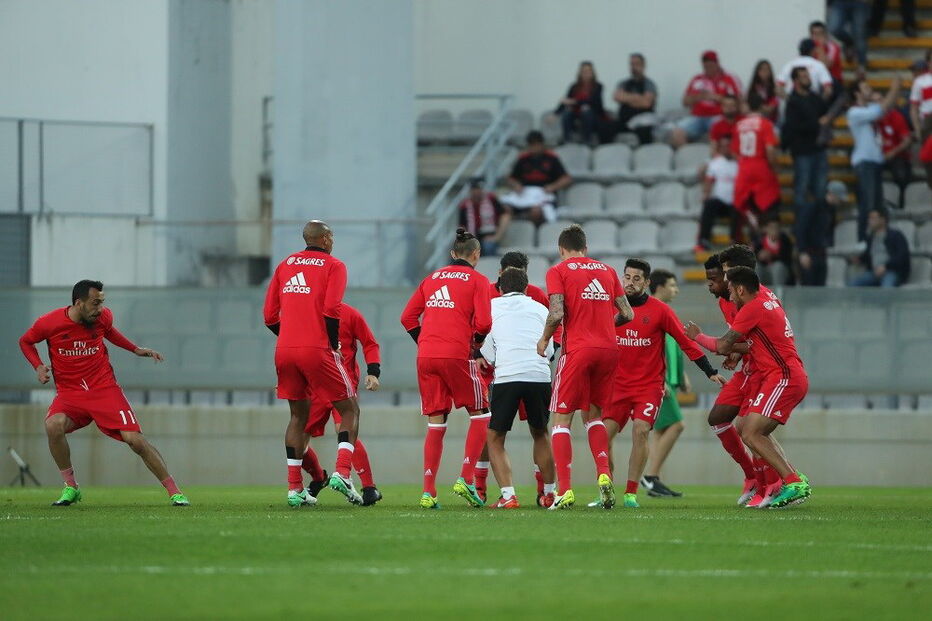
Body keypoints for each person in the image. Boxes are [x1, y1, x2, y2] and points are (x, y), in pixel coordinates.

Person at [18, 279, 188, 507]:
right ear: (79, 303)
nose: (100, 309)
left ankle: (174, 492)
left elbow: (109, 332)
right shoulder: (49, 323)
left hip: (104, 389)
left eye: (101, 302)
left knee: (135, 441)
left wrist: (135, 349)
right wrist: (38, 366)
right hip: (70, 393)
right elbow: (26, 341)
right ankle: (71, 487)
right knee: (52, 426)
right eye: (95, 303)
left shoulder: (102, 317)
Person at [597, 259, 724, 509]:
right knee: (602, 437)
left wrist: (709, 371)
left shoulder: (661, 311)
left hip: (648, 386)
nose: (630, 283)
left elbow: (686, 342)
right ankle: (606, 490)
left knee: (641, 431)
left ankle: (631, 493)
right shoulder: (609, 307)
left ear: (646, 283)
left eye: (636, 279)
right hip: (616, 386)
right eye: (627, 277)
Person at [688, 266, 811, 509]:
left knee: (751, 432)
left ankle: (793, 482)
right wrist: (737, 352)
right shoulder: (765, 300)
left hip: (783, 377)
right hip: (777, 376)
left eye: (731, 289)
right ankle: (790, 478)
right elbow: (753, 344)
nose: (730, 295)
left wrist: (697, 336)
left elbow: (722, 345)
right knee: (748, 428)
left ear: (741, 288)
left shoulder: (752, 307)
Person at [264, 220, 363, 507]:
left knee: (297, 417)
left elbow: (270, 315)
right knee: (349, 407)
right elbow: (332, 308)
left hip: (284, 350)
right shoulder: (334, 265)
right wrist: (333, 342)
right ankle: (343, 472)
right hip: (317, 347)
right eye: (332, 235)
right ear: (325, 238)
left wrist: (290, 338)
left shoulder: (285, 265)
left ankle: (295, 489)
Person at [538, 224, 634, 510]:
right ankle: (604, 475)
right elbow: (627, 313)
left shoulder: (558, 271)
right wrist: (604, 325)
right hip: (609, 351)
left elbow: (556, 313)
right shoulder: (607, 271)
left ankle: (564, 491)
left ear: (561, 249)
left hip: (577, 349)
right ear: (586, 249)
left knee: (561, 419)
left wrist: (544, 339)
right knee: (594, 416)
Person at [400, 228, 493, 509]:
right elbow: (485, 323)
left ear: (453, 254)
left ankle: (428, 492)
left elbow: (407, 317)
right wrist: (473, 343)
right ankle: (465, 477)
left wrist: (426, 341)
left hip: (426, 356)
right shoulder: (478, 280)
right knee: (481, 413)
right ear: (476, 255)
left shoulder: (431, 279)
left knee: (436, 421)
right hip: (455, 354)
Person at [474, 250, 558, 505]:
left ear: (500, 287)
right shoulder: (540, 307)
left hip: (508, 376)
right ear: (526, 287)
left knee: (495, 437)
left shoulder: (492, 306)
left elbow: (487, 354)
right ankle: (549, 494)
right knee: (540, 433)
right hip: (539, 375)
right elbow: (550, 348)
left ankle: (508, 496)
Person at [302, 303, 383, 506]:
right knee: (298, 439)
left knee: (343, 428)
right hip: (315, 385)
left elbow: (370, 343)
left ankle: (369, 487)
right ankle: (319, 478)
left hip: (343, 382)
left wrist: (373, 371)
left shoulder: (350, 314)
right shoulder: (306, 314)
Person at [695, 255, 759, 504]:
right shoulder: (726, 302)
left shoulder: (751, 300)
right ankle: (753, 476)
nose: (711, 284)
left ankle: (778, 481)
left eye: (716, 278)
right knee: (718, 418)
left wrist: (706, 340)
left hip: (763, 372)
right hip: (747, 369)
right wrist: (735, 352)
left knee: (751, 429)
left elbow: (758, 341)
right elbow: (742, 339)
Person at [640, 270, 692, 498]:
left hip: (666, 380)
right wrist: (661, 380)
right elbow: (646, 350)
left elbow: (672, 347)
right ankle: (650, 477)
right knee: (677, 425)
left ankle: (654, 480)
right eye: (672, 285)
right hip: (657, 383)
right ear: (659, 287)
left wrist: (681, 376)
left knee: (661, 431)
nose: (676, 290)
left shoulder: (665, 311)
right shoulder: (651, 312)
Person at [781, 67, 830, 267]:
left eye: (808, 76)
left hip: (818, 150)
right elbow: (794, 127)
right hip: (802, 152)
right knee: (801, 192)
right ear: (795, 80)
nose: (807, 79)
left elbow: (825, 117)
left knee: (820, 192)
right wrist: (816, 124)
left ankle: (817, 229)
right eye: (803, 76)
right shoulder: (792, 102)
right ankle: (800, 229)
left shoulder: (815, 99)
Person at [848, 75, 902, 240]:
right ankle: (863, 240)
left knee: (878, 205)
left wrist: (895, 93)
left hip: (875, 160)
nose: (869, 90)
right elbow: (882, 108)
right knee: (868, 204)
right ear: (857, 93)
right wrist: (894, 89)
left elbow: (886, 106)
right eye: (865, 88)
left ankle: (877, 239)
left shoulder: (868, 108)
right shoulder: (855, 112)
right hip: (865, 162)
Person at [670, 50, 743, 148]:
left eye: (711, 66)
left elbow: (739, 101)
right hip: (697, 116)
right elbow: (684, 101)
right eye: (705, 66)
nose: (708, 69)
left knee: (718, 131)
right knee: (677, 132)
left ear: (717, 64)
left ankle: (715, 160)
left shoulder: (729, 78)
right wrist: (699, 97)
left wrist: (715, 97)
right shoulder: (697, 79)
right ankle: (688, 158)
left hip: (718, 115)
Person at [732, 93, 781, 231]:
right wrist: (775, 167)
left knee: (742, 203)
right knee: (769, 202)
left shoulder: (739, 125)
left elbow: (735, 152)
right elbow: (770, 150)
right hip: (761, 166)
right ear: (761, 106)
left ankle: (741, 234)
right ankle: (767, 236)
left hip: (744, 167)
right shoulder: (765, 124)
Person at [504, 130, 573, 225]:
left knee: (535, 211)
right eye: (531, 145)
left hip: (543, 193)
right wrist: (516, 185)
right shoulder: (523, 158)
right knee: (505, 208)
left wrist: (553, 186)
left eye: (536, 144)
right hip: (525, 193)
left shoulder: (552, 158)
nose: (533, 148)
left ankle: (535, 233)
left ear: (542, 144)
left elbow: (567, 179)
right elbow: (511, 178)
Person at [849, 207, 911, 287]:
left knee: (886, 287)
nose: (869, 221)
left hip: (892, 272)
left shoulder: (896, 236)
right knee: (852, 285)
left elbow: (901, 256)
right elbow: (869, 257)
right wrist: (859, 259)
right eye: (869, 218)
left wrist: (885, 267)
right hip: (874, 273)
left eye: (873, 218)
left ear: (883, 220)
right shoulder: (870, 238)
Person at [696, 136, 739, 251]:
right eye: (723, 146)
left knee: (739, 205)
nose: (726, 148)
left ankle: (734, 241)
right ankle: (703, 240)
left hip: (736, 202)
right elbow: (709, 181)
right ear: (719, 148)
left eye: (728, 146)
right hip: (721, 203)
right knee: (709, 203)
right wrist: (705, 193)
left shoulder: (740, 163)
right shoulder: (715, 163)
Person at [612, 52, 658, 144]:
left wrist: (626, 98)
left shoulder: (649, 84)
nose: (634, 67)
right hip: (624, 120)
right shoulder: (623, 83)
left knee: (645, 131)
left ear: (643, 65)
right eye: (631, 64)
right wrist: (638, 98)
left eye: (637, 64)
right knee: (606, 127)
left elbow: (646, 103)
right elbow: (616, 96)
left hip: (642, 121)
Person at [555, 61, 605, 145]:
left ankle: (586, 140)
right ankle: (567, 140)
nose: (586, 74)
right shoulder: (574, 87)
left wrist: (575, 102)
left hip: (593, 116)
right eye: (584, 71)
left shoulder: (598, 86)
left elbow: (594, 102)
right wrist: (556, 113)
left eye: (588, 71)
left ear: (593, 73)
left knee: (586, 110)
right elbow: (566, 101)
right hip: (576, 115)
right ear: (580, 73)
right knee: (567, 112)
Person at [458, 179, 512, 255]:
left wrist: (497, 236)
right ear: (471, 191)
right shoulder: (464, 206)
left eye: (480, 189)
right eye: (475, 189)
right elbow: (462, 226)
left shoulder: (492, 199)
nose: (478, 192)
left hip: (490, 236)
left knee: (488, 246)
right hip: (473, 238)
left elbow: (505, 216)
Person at [877, 100, 913, 209]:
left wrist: (892, 152)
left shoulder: (896, 117)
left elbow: (907, 140)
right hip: (875, 155)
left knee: (901, 175)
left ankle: (901, 205)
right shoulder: (869, 118)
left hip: (896, 154)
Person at [828, 0, 869, 75]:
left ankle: (861, 64)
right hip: (839, 2)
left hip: (859, 3)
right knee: (834, 28)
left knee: (859, 33)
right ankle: (850, 43)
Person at [909, 60, 932, 189]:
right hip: (928, 122)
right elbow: (914, 108)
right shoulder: (920, 81)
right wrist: (917, 129)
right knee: (929, 160)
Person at [754, 213, 795, 286]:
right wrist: (759, 256)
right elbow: (754, 257)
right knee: (756, 267)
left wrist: (772, 256)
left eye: (776, 227)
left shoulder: (785, 241)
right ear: (766, 228)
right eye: (771, 227)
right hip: (764, 271)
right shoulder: (759, 241)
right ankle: (758, 294)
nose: (774, 230)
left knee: (778, 267)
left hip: (780, 273)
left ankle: (777, 295)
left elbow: (787, 260)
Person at [810, 21, 844, 94]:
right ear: (811, 35)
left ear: (825, 34)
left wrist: (820, 47)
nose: (817, 37)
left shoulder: (833, 47)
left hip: (833, 83)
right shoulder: (809, 48)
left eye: (820, 33)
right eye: (815, 34)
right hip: (816, 83)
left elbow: (825, 66)